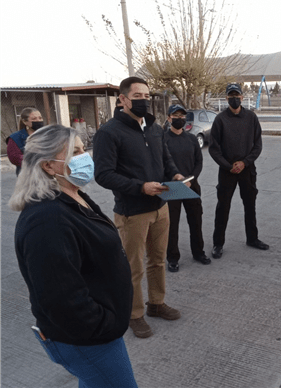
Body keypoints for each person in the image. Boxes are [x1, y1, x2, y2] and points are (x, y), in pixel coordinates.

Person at [9, 125, 137, 387]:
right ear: (48, 165)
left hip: (96, 334)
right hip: (87, 339)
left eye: (83, 149)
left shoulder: (72, 196)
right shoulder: (48, 219)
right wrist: (105, 325)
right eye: (75, 152)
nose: (85, 157)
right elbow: (60, 297)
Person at [93, 76, 184, 339]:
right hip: (132, 211)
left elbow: (166, 160)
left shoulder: (155, 128)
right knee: (133, 267)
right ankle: (134, 315)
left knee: (157, 261)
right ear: (122, 99)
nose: (143, 101)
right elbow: (104, 174)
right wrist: (139, 187)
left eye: (146, 96)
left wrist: (176, 175)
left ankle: (156, 304)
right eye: (137, 97)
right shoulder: (109, 133)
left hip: (160, 206)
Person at [208, 83, 269, 259]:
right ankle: (218, 243)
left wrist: (244, 162)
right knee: (222, 208)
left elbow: (257, 145)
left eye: (237, 95)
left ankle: (252, 238)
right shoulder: (220, 119)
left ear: (242, 97)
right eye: (230, 96)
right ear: (226, 98)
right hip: (227, 171)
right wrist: (228, 166)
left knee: (250, 206)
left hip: (247, 170)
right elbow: (214, 148)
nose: (234, 99)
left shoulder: (251, 118)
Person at [164, 104, 211, 271]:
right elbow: (162, 164)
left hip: (192, 186)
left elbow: (199, 162)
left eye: (182, 116)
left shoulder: (191, 139)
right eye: (175, 116)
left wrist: (191, 179)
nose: (179, 119)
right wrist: (175, 180)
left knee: (196, 222)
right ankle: (172, 258)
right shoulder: (163, 140)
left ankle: (199, 253)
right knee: (172, 225)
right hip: (172, 188)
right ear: (169, 118)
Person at [6, 107, 44, 176]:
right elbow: (14, 158)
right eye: (34, 119)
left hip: (48, 175)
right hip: (28, 176)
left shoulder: (47, 135)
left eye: (40, 118)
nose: (38, 120)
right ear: (25, 122)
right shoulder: (15, 138)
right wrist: (39, 161)